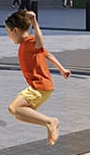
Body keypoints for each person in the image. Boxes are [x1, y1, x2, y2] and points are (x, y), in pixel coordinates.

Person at [5, 9, 70, 146]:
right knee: (19, 114)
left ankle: (51, 121)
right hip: (40, 87)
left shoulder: (29, 41)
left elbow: (40, 42)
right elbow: (48, 54)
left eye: (8, 32)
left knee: (14, 108)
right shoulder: (27, 44)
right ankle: (48, 123)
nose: (9, 36)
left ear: (15, 30)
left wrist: (34, 22)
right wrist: (62, 69)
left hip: (40, 86)